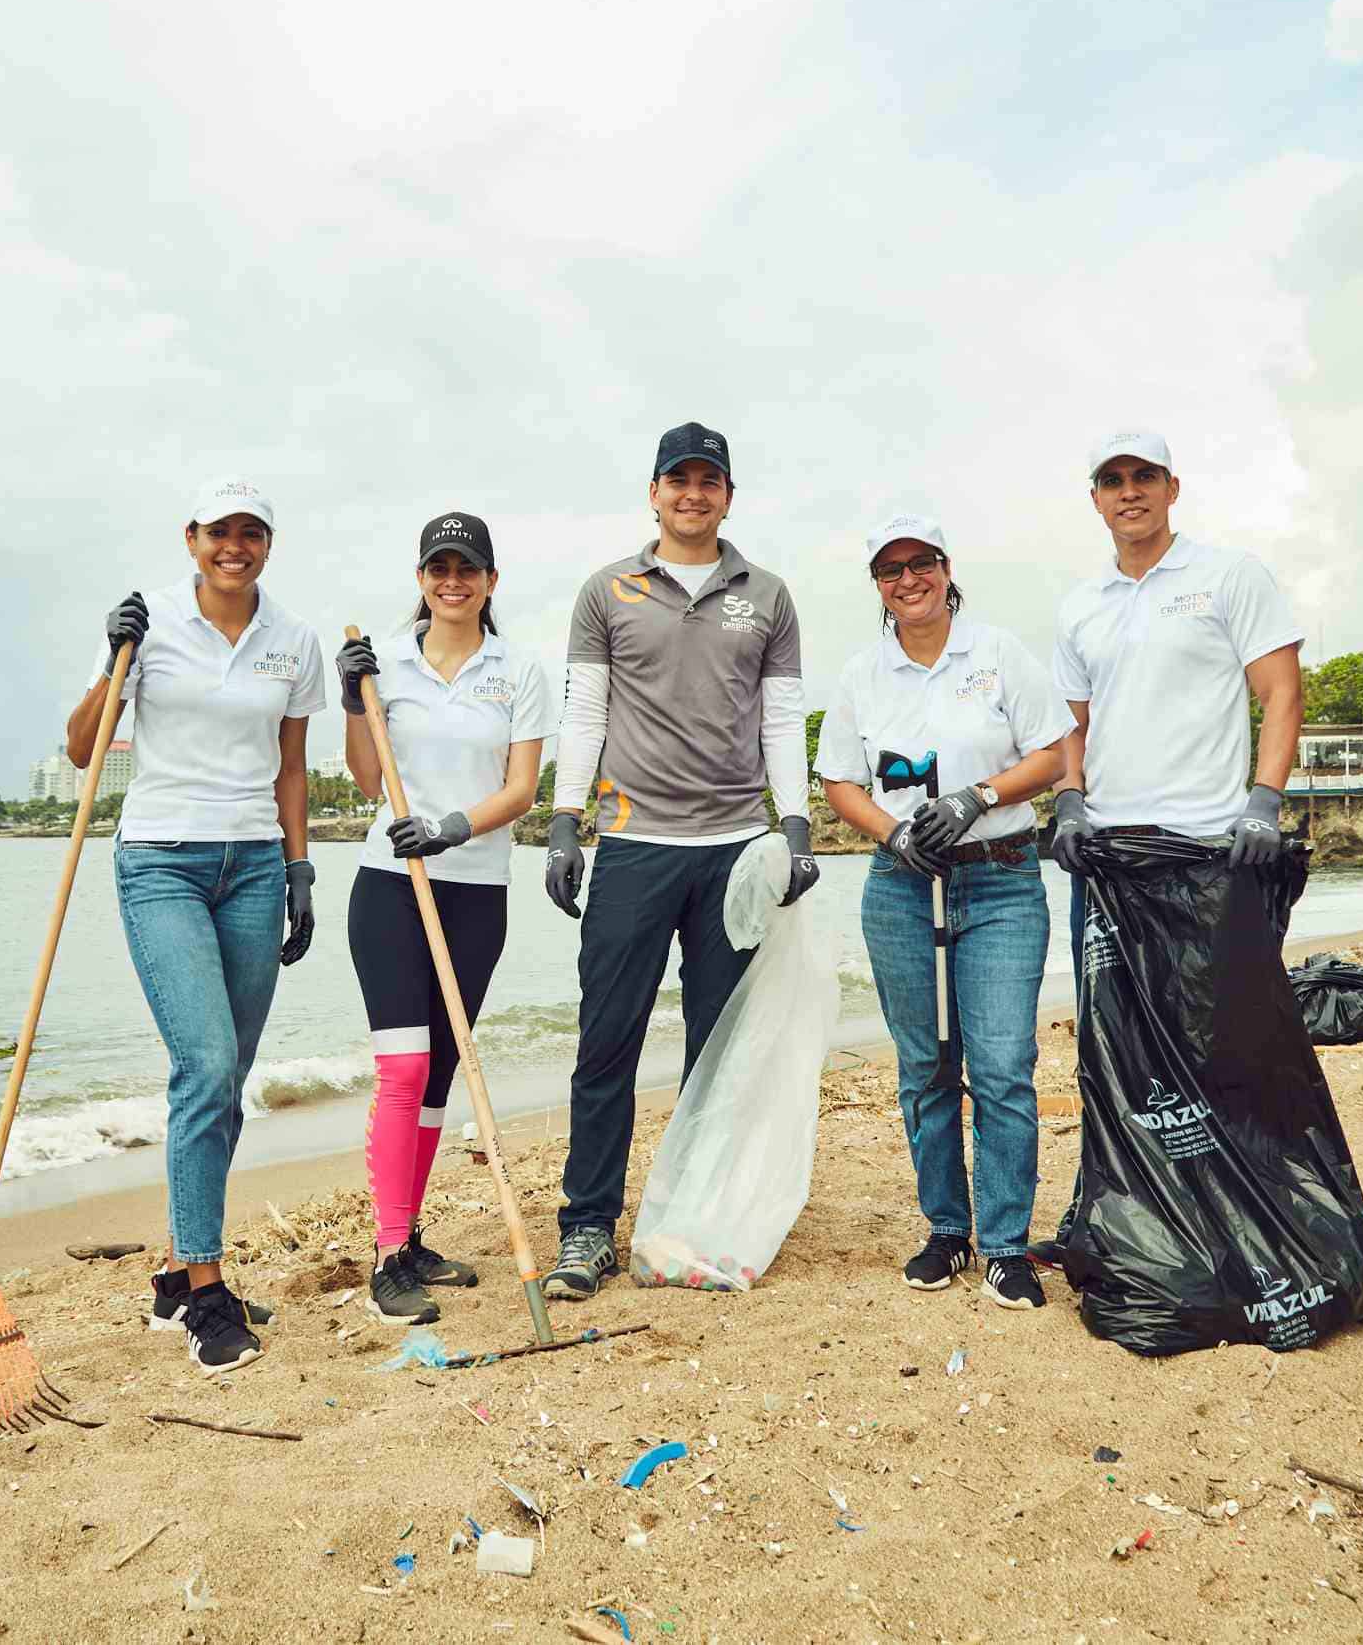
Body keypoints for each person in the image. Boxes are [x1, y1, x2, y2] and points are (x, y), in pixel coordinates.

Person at [538, 422, 817, 1301]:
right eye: (678, 479)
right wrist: (564, 821)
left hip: (734, 848)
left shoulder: (766, 594)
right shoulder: (605, 592)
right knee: (605, 1042)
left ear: (729, 495)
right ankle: (587, 1226)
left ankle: (704, 1217)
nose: (693, 493)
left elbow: (780, 719)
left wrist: (798, 824)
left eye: (710, 480)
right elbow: (585, 714)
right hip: (633, 846)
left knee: (719, 1046)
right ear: (653, 492)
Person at [74, 476, 327, 1375]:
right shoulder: (150, 631)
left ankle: (180, 1273)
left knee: (227, 1080)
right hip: (160, 862)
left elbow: (292, 767)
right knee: (206, 1065)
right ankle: (209, 1296)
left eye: (252, 531)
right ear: (192, 538)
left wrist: (299, 868)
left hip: (253, 865)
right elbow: (83, 746)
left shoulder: (293, 641)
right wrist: (113, 659)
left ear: (268, 542)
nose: (236, 545)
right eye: (220, 530)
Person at [1035, 431, 1304, 1259]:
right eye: (1112, 480)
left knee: (1216, 1042)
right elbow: (1070, 725)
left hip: (1210, 854)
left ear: (1172, 486)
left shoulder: (1230, 575)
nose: (1129, 492)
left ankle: (1242, 1223)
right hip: (1109, 863)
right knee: (1111, 1045)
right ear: (1095, 499)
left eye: (1143, 476)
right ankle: (1110, 1218)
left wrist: (1264, 802)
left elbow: (1281, 690)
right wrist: (1071, 802)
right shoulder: (1080, 605)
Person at [816, 513, 1069, 1308]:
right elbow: (840, 782)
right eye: (890, 570)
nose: (908, 580)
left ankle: (1004, 1244)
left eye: (919, 563)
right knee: (925, 1068)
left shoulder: (997, 654)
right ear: (877, 586)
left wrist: (977, 795)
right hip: (900, 887)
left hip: (998, 878)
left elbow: (1053, 751)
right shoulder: (862, 674)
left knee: (1000, 1066)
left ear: (945, 566)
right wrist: (892, 833)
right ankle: (946, 1230)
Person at [330, 513, 556, 1327]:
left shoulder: (519, 667)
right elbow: (365, 777)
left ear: (491, 581)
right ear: (421, 578)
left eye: (467, 568)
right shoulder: (383, 662)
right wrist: (354, 702)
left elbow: (523, 787)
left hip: (475, 888)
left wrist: (454, 825)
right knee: (402, 1068)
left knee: (437, 1078)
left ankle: (412, 1232)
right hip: (391, 884)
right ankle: (389, 1256)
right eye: (437, 567)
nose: (451, 580)